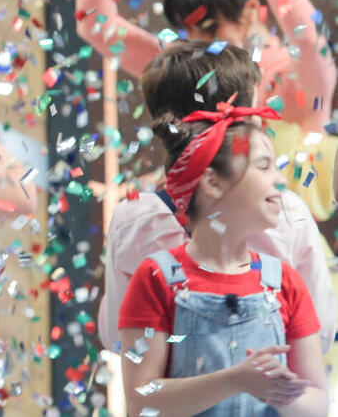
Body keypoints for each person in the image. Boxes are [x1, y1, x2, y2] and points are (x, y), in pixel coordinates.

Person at [77, 0, 338, 219]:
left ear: (250, 8)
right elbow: (95, 25)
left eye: (211, 27)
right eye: (190, 30)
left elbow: (309, 38)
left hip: (291, 248)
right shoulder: (189, 69)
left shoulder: (295, 73)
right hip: (206, 251)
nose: (199, 40)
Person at [100, 40, 336, 355]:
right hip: (273, 393)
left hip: (172, 399)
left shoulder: (135, 218)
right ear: (248, 119)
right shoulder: (286, 211)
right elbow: (320, 332)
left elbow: (117, 335)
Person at [119, 105, 328, 416]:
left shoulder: (285, 282)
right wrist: (235, 380)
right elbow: (141, 404)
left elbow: (318, 403)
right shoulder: (156, 278)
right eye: (264, 166)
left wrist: (280, 393)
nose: (279, 180)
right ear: (213, 183)